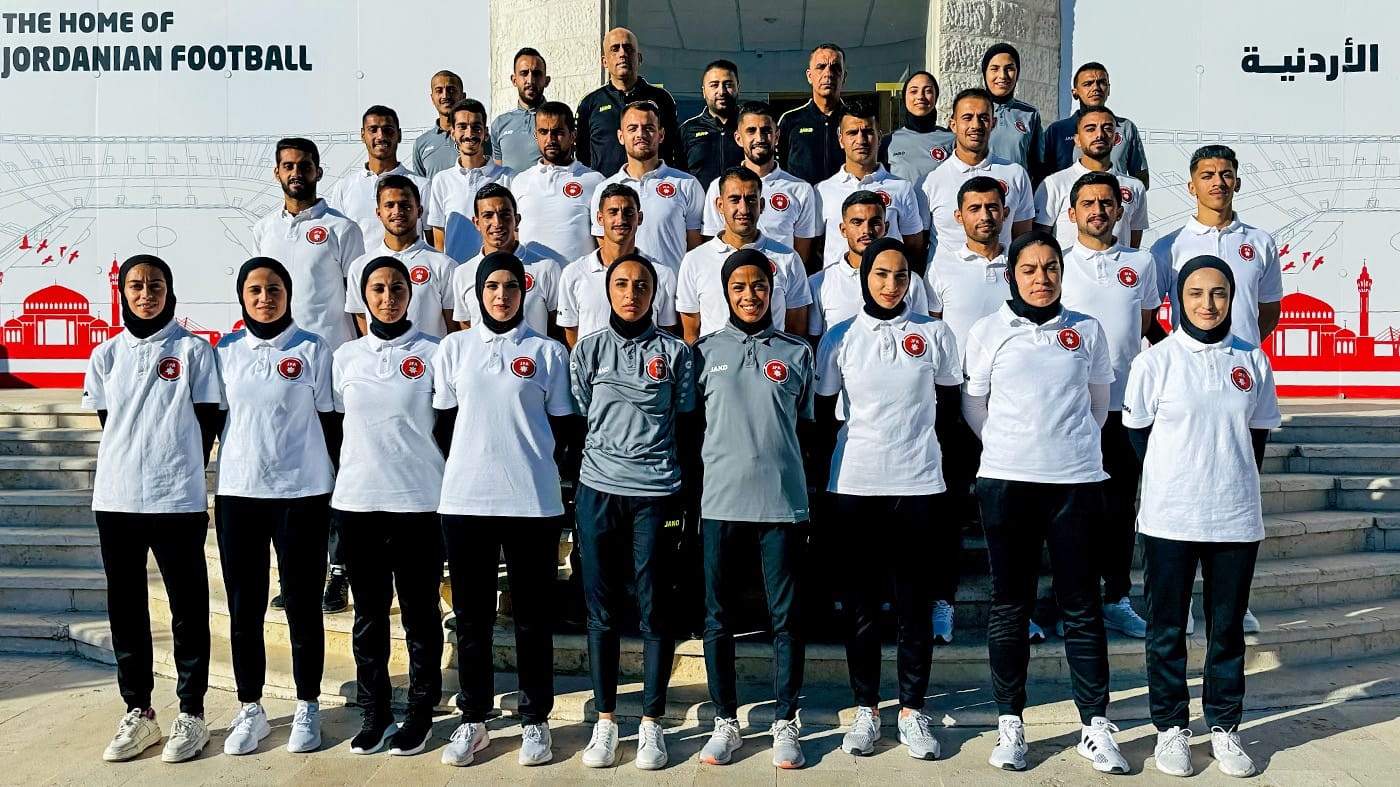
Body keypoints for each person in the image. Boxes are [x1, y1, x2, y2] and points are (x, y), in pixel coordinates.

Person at [962, 231, 1127, 774]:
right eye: (1029, 269)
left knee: (1081, 605)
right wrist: (1015, 448)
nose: (1041, 278)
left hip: (1076, 483)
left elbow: (1099, 405)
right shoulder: (988, 331)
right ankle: (1011, 722)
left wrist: (1065, 448)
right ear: (1012, 275)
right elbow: (975, 407)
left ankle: (1095, 725)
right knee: (1011, 604)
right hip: (1007, 484)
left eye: (1051, 267)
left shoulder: (1086, 329)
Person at [1123, 256, 1280, 779]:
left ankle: (1225, 726)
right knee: (1167, 629)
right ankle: (1171, 727)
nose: (1207, 304)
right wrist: (1179, 477)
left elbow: (1256, 436)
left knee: (1226, 628)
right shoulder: (1156, 362)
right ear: (1178, 299)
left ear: (1232, 299)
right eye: (1195, 293)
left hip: (1235, 517)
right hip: (1170, 518)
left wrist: (1228, 478)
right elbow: (1139, 436)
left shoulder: (1252, 360)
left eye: (1218, 293)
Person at [815, 237, 961, 762]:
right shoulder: (839, 338)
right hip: (856, 484)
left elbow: (949, 407)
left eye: (901, 275)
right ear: (864, 277)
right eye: (881, 274)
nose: (891, 284)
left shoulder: (935, 333)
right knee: (860, 606)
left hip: (917, 484)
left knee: (913, 605)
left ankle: (912, 709)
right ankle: (867, 709)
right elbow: (824, 413)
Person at [434, 252, 575, 768]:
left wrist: (526, 462)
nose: (501, 295)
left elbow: (563, 428)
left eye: (511, 286)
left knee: (532, 619)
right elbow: (443, 424)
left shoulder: (547, 352)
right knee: (472, 619)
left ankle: (536, 718)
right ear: (477, 293)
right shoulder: (454, 348)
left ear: (524, 292)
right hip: (466, 501)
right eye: (492, 286)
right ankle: (474, 718)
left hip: (531, 502)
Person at [84, 254, 218, 764]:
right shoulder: (106, 355)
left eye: (155, 285)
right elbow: (110, 420)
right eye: (136, 285)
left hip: (176, 498)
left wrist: (176, 465)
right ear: (122, 292)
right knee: (126, 610)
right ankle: (138, 710)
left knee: (188, 609)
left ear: (169, 291)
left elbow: (207, 420)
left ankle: (192, 712)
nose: (146, 294)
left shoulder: (194, 351)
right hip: (117, 499)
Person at [569, 253, 694, 771]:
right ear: (608, 290)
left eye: (641, 285)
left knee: (654, 607)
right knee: (601, 610)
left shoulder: (675, 353)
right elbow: (581, 413)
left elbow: (685, 418)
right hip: (599, 490)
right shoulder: (589, 350)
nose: (631, 293)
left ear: (654, 293)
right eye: (621, 284)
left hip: (656, 493)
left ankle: (651, 722)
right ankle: (605, 721)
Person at [692, 249, 814, 770]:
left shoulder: (797, 352)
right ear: (726, 292)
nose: (750, 295)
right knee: (717, 617)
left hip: (781, 504)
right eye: (739, 286)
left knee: (785, 618)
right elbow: (690, 426)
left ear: (772, 289)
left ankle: (785, 719)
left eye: (759, 285)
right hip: (720, 501)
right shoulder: (703, 352)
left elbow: (807, 427)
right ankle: (725, 720)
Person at [214, 258, 337, 756]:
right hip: (240, 493)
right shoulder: (225, 352)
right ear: (242, 296)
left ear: (288, 293)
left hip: (302, 494)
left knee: (303, 605)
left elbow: (330, 422)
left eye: (274, 289)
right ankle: (251, 707)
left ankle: (307, 704)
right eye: (255, 290)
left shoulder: (312, 348)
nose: (265, 298)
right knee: (244, 608)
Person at [332, 257, 446, 756]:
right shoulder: (345, 357)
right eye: (377, 288)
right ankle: (375, 711)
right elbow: (336, 426)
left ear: (410, 294)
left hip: (419, 502)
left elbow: (447, 425)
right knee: (369, 617)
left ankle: (421, 711)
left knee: (420, 615)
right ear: (364, 296)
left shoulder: (435, 353)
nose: (387, 297)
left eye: (397, 288)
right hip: (359, 503)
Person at [1059, 171, 1160, 639]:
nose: (1098, 211)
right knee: (1071, 511)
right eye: (1088, 203)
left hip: (1123, 407)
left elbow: (1143, 324)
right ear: (1071, 213)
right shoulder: (1057, 263)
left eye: (1106, 203)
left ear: (1120, 210)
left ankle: (1116, 596)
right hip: (1070, 409)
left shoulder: (1141, 262)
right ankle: (1073, 601)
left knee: (1119, 508)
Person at [924, 176, 1014, 644]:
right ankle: (943, 600)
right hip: (957, 405)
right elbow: (933, 338)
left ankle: (1014, 606)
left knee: (1010, 513)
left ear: (1005, 212)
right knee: (949, 510)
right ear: (958, 217)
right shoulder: (939, 268)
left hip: (1014, 407)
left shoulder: (1022, 264)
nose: (985, 216)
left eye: (992, 207)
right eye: (975, 208)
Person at [1151, 145, 1283, 352]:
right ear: (1191, 187)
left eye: (1226, 175)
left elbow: (1270, 310)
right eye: (1207, 176)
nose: (1218, 182)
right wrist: (1174, 354)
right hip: (1188, 365)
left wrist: (1245, 349)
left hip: (1242, 365)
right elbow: (1148, 315)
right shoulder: (1168, 247)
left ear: (1237, 183)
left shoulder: (1261, 242)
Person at [253, 137, 365, 351]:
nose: (296, 173)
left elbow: (359, 299)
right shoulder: (263, 229)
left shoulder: (343, 228)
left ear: (318, 172)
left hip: (331, 349)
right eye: (288, 166)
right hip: (279, 349)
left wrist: (364, 350)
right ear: (277, 173)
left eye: (304, 166)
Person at [678, 166, 812, 343]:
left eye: (751, 200)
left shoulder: (788, 258)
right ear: (720, 205)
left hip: (771, 359)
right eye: (734, 200)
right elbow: (691, 333)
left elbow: (796, 330)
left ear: (761, 205)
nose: (743, 209)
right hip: (715, 360)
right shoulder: (694, 260)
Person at [590, 100, 704, 272]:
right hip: (626, 287)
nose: (640, 134)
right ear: (621, 136)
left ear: (661, 135)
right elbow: (606, 252)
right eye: (632, 128)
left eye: (648, 128)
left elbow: (696, 251)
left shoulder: (687, 184)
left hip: (671, 288)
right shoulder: (603, 190)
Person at [558, 183, 679, 345]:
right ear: (600, 218)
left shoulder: (662, 274)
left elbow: (666, 334)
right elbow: (572, 334)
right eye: (613, 212)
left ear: (639, 218)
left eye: (628, 212)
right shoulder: (574, 273)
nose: (621, 220)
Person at [815, 100, 925, 272]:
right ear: (841, 140)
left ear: (879, 137)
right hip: (839, 286)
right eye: (852, 133)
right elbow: (814, 246)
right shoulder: (822, 191)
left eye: (868, 132)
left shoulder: (901, 188)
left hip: (887, 285)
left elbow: (914, 246)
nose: (861, 140)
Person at [702, 101, 818, 264]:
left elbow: (800, 256)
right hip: (732, 278)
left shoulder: (800, 190)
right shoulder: (718, 186)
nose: (760, 138)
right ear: (738, 138)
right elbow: (712, 247)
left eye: (766, 130)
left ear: (776, 136)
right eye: (751, 131)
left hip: (781, 280)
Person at [922, 89, 1033, 258]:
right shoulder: (930, 182)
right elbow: (917, 246)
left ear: (993, 123)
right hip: (946, 274)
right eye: (967, 118)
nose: (976, 125)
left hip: (1001, 273)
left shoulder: (1016, 175)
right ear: (953, 124)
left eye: (983, 118)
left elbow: (1022, 241)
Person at [344, 175, 458, 338]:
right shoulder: (360, 267)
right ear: (378, 213)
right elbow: (363, 328)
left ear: (419, 211)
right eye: (389, 205)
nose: (397, 211)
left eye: (405, 205)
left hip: (430, 355)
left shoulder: (444, 265)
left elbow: (454, 332)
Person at [807, 190, 933, 337]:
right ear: (843, 230)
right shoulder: (819, 283)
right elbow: (816, 342)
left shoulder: (911, 282)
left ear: (886, 228)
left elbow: (923, 333)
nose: (866, 230)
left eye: (875, 222)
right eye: (857, 222)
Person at [449, 183, 561, 335]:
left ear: (517, 220)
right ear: (476, 223)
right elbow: (466, 329)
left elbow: (558, 328)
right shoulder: (462, 273)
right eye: (488, 216)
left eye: (504, 214)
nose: (497, 223)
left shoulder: (546, 268)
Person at [1034, 107, 1148, 248]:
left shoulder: (1135, 187)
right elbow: (1040, 241)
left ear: (1115, 138)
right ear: (1077, 139)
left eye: (1107, 129)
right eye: (1090, 129)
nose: (1099, 134)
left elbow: (1133, 245)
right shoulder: (1054, 184)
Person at [576, 27, 682, 177]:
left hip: (653, 186)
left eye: (628, 48)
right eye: (615, 49)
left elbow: (674, 149)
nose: (622, 54)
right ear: (604, 61)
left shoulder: (661, 99)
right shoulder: (590, 103)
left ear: (639, 58)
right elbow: (582, 156)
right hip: (606, 188)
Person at [511, 101, 605, 264]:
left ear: (573, 135)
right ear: (536, 135)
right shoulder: (520, 181)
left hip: (577, 279)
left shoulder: (595, 181)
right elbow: (514, 237)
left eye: (558, 132)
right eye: (543, 132)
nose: (550, 139)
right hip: (531, 279)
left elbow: (604, 242)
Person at [327, 105, 432, 245]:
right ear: (363, 135)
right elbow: (336, 240)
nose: (381, 136)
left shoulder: (422, 186)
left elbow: (433, 243)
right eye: (373, 130)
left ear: (399, 135)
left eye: (388, 130)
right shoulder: (344, 187)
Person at [427, 98, 515, 255]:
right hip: (456, 270)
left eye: (476, 127)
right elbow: (439, 241)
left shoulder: (508, 177)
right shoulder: (441, 181)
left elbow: (516, 231)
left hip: (498, 268)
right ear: (452, 133)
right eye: (462, 127)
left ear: (485, 133)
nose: (469, 134)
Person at [1043, 62, 1149, 187]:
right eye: (1088, 84)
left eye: (1102, 83)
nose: (1096, 88)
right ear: (1075, 92)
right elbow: (1041, 176)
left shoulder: (1126, 127)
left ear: (1109, 89)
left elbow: (1141, 179)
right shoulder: (1058, 130)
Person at [778, 43, 848, 185]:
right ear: (809, 76)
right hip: (802, 198)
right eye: (821, 67)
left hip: (846, 198)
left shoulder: (854, 120)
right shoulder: (790, 120)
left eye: (835, 68)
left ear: (844, 76)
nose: (828, 74)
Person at [879, 71, 955, 198]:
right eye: (914, 91)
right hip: (903, 210)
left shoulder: (952, 139)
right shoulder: (887, 142)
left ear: (936, 97)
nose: (920, 96)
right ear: (904, 97)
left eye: (928, 91)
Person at [680, 59, 744, 189]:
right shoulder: (687, 130)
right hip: (700, 202)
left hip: (743, 201)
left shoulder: (751, 128)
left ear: (738, 88)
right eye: (714, 85)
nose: (722, 91)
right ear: (704, 91)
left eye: (728, 84)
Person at [981, 43, 1042, 175]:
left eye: (1009, 68)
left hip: (1017, 187)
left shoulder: (1030, 114)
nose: (1002, 76)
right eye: (994, 69)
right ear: (985, 72)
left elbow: (1037, 166)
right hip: (979, 187)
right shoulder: (971, 111)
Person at [492, 47, 551, 173]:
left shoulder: (558, 121)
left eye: (536, 74)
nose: (530, 80)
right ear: (514, 80)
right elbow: (497, 174)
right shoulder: (499, 124)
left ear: (546, 81)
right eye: (524, 73)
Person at [410, 70, 471, 179]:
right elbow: (421, 186)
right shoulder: (421, 144)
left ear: (463, 96)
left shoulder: (479, 139)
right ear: (432, 98)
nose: (445, 96)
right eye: (439, 90)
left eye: (451, 90)